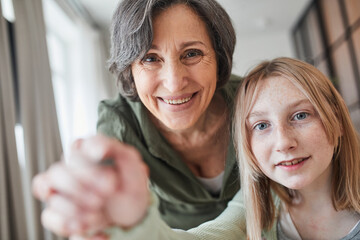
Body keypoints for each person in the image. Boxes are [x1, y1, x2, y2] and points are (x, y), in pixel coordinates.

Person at [33, 57, 360, 239]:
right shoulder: (255, 209)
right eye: (261, 126)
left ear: (335, 116)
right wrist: (134, 221)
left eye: (301, 115)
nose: (283, 142)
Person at [35, 0, 242, 233]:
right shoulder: (119, 122)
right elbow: (112, 206)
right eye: (150, 58)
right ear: (129, 69)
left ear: (218, 58)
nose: (174, 84)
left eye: (192, 53)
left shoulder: (251, 100)